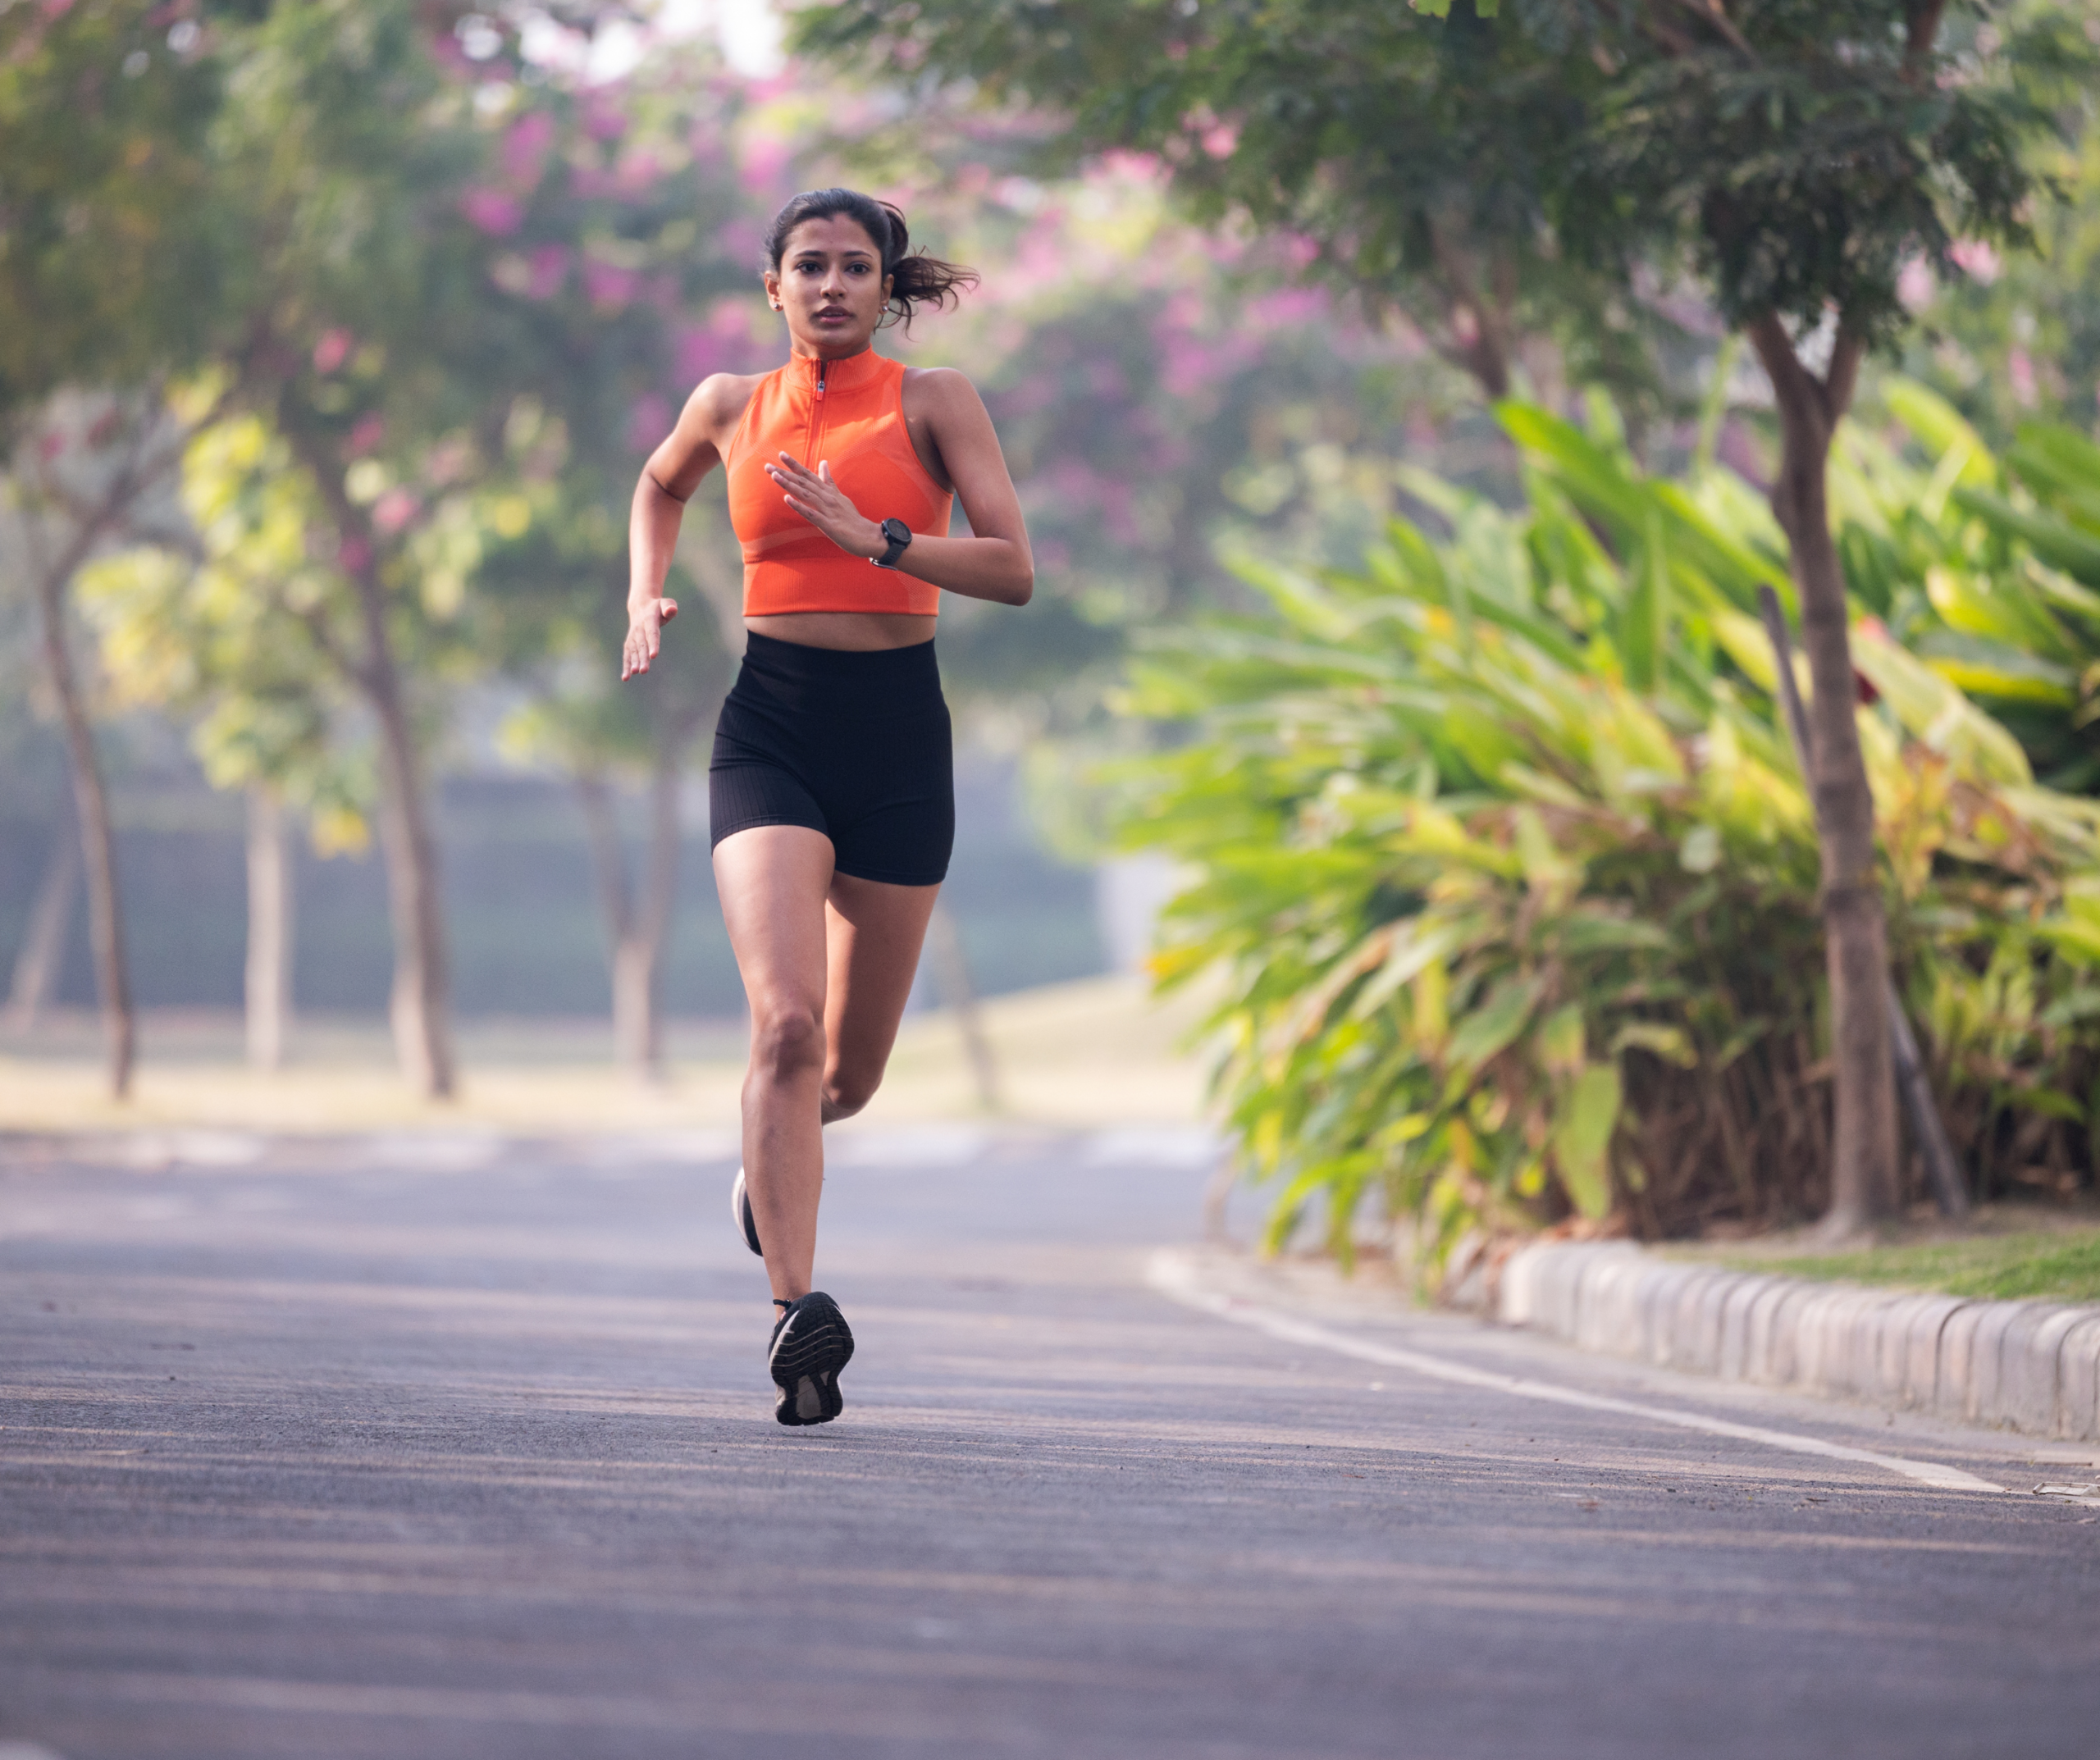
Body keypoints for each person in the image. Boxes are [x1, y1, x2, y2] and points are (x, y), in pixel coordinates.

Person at [621, 189, 1033, 1427]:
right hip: (774, 732)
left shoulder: (935, 400)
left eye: (858, 267)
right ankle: (797, 1310)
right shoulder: (727, 406)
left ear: (885, 286)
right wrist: (644, 595)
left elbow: (1013, 568)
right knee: (786, 1030)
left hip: (902, 739)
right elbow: (658, 489)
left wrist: (887, 539)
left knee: (846, 1078)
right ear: (774, 284)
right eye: (812, 265)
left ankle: (768, 1172)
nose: (834, 285)